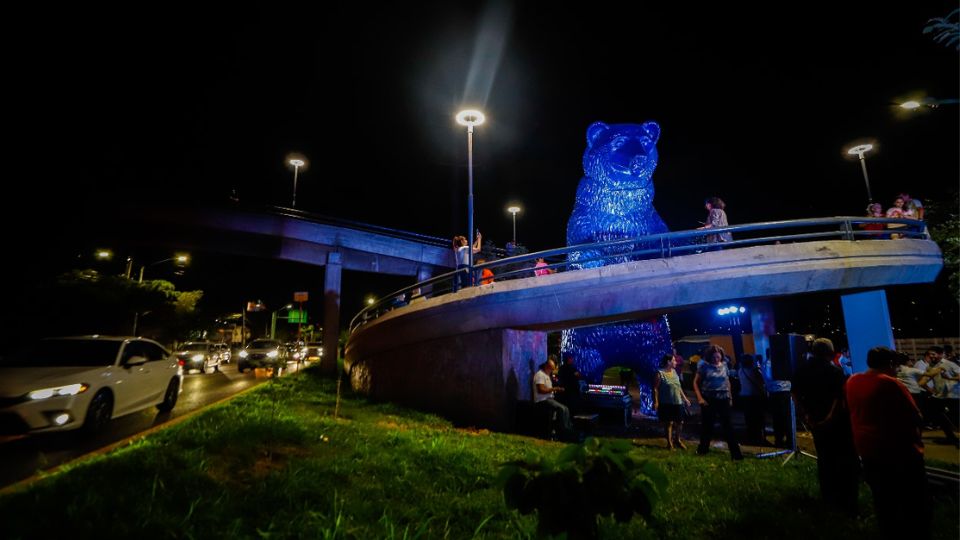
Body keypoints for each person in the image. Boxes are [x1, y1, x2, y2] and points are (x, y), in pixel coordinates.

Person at [846, 347, 929, 540]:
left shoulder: (852, 381)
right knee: (915, 504)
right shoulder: (891, 384)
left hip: (867, 450)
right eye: (896, 365)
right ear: (890, 364)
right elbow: (916, 416)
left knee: (883, 501)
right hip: (899, 452)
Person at [791, 338, 860, 517]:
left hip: (814, 420)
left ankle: (828, 497)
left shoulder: (801, 370)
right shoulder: (834, 371)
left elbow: (795, 394)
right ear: (830, 352)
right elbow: (840, 399)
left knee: (825, 458)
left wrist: (806, 415)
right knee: (845, 460)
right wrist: (829, 418)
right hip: (836, 422)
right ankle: (847, 501)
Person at [693, 345, 743, 460]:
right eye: (714, 357)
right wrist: (700, 398)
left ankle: (736, 455)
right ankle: (702, 450)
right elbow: (695, 382)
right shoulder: (704, 367)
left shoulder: (725, 365)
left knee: (728, 427)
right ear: (709, 356)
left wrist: (730, 397)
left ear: (721, 355)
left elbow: (727, 381)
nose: (716, 359)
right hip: (709, 399)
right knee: (707, 426)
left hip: (723, 399)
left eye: (718, 356)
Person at [653, 354, 692, 450]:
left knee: (680, 422)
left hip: (678, 402)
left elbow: (678, 387)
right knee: (669, 423)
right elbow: (655, 389)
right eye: (674, 360)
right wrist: (656, 402)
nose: (676, 362)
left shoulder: (674, 372)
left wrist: (685, 399)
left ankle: (677, 440)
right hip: (666, 403)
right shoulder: (660, 373)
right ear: (668, 362)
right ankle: (669, 443)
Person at [533, 358, 574, 440]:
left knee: (566, 408)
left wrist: (556, 389)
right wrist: (554, 389)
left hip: (549, 399)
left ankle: (569, 429)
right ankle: (564, 431)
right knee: (561, 409)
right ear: (546, 367)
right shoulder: (540, 375)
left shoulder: (547, 375)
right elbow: (541, 390)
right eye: (551, 369)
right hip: (542, 400)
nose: (551, 371)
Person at [760, 353, 793, 449]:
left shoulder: (765, 363)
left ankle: (780, 440)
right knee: (785, 417)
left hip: (774, 393)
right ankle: (788, 441)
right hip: (782, 392)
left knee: (778, 418)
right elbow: (772, 377)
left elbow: (766, 378)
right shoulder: (772, 363)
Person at [738, 354, 768, 445]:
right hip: (756, 397)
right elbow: (762, 382)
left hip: (745, 397)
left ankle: (751, 436)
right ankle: (759, 437)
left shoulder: (740, 371)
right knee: (758, 417)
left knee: (749, 418)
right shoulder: (755, 371)